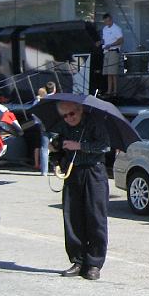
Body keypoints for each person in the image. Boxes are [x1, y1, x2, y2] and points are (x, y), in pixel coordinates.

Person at [51, 100, 111, 281]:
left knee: (95, 218)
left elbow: (105, 146)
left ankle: (94, 263)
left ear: (80, 110)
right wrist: (55, 151)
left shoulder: (95, 123)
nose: (68, 118)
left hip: (94, 171)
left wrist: (80, 146)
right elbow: (58, 145)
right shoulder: (63, 126)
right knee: (73, 217)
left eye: (71, 114)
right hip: (73, 170)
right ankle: (78, 261)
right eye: (64, 115)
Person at [97, 13, 124, 97]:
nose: (107, 22)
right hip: (106, 51)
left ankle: (115, 91)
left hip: (113, 51)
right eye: (105, 21)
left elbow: (121, 40)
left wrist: (111, 45)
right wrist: (100, 42)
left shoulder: (116, 28)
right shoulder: (105, 29)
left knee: (113, 72)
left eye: (108, 21)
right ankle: (109, 90)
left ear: (111, 19)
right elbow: (105, 40)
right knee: (108, 73)